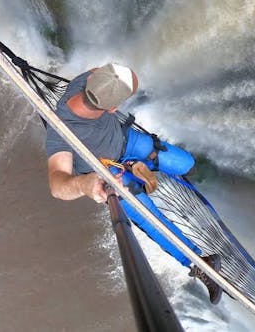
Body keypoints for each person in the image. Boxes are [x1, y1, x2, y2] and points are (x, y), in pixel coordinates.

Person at [45, 63, 222, 304]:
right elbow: (57, 185)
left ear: (92, 80)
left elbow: (120, 75)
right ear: (113, 108)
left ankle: (147, 168)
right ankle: (198, 263)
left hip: (126, 141)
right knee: (149, 217)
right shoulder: (60, 131)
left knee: (185, 164)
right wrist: (83, 184)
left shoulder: (85, 81)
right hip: (108, 174)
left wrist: (111, 79)